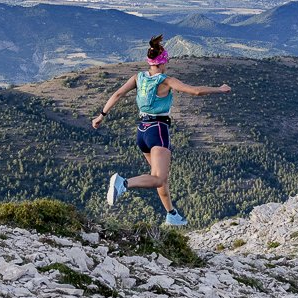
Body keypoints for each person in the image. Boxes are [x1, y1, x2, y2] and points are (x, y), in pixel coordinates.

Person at [92, 35, 231, 226]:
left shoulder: (138, 78)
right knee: (158, 178)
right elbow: (195, 91)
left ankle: (171, 213)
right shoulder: (165, 81)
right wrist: (220, 89)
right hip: (158, 130)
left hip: (142, 131)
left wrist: (101, 115)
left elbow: (117, 94)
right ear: (163, 62)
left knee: (159, 177)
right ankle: (123, 184)